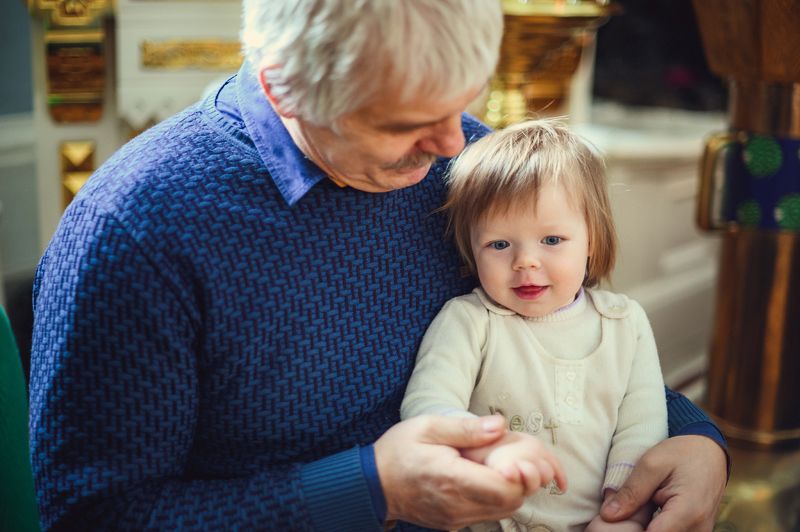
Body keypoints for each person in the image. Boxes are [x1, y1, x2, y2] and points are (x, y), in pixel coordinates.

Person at [29, 1, 728, 530]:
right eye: (404, 123)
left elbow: (572, 323)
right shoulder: (136, 230)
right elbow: (92, 516)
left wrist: (695, 440)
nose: (453, 143)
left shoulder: (460, 158)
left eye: (462, 102)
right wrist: (370, 488)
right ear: (284, 88)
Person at [401, 119, 668, 531]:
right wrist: (487, 447)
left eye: (552, 240)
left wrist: (624, 507)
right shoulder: (469, 320)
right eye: (499, 244)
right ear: (471, 249)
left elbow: (643, 424)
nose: (525, 261)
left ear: (592, 239)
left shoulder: (625, 323)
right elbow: (427, 405)